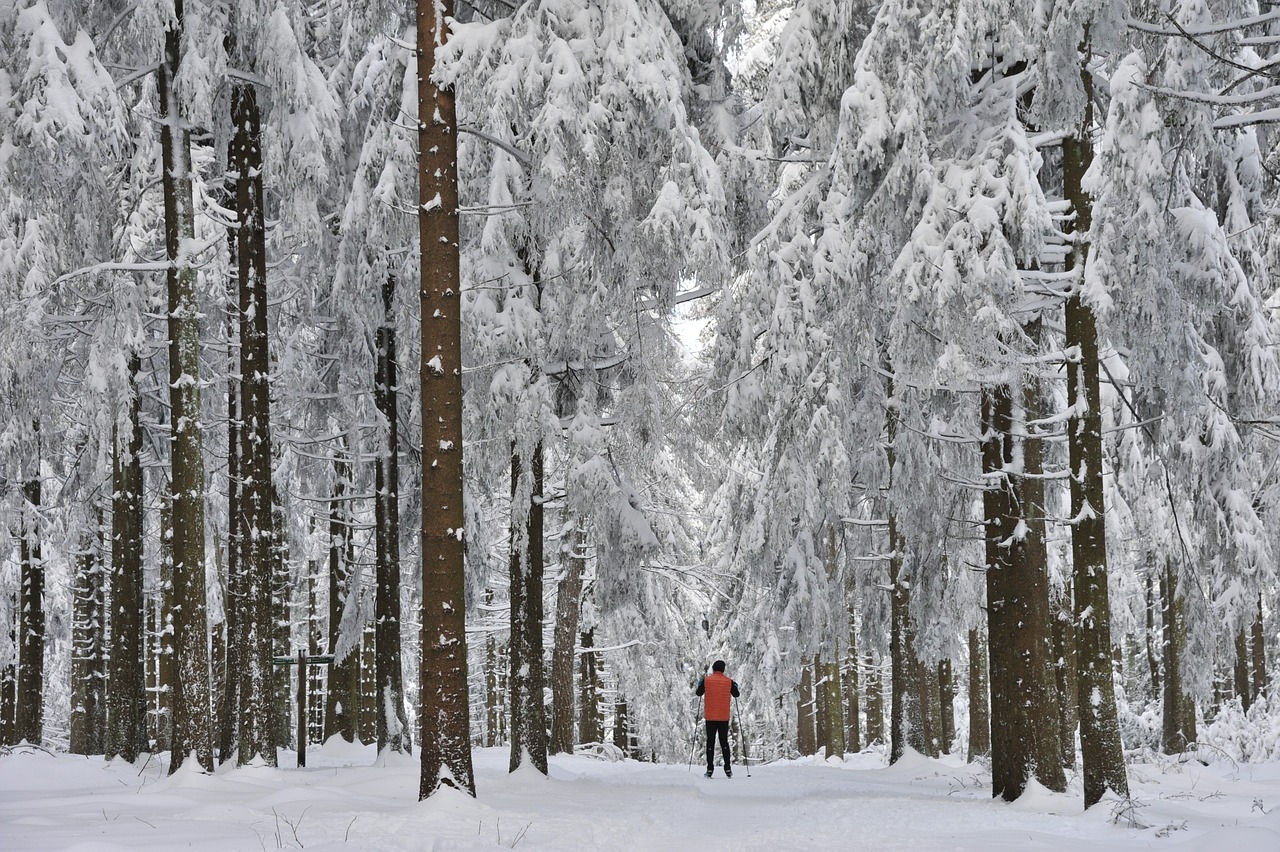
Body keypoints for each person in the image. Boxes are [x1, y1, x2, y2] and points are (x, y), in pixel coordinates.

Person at [695, 659, 740, 778]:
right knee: (724, 741)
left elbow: (699, 693)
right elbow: (736, 695)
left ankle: (710, 769)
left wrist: (701, 683)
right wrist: (734, 685)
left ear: (714, 669)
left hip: (710, 716)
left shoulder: (706, 680)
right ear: (723, 669)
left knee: (710, 741)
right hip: (723, 717)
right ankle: (728, 769)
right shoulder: (729, 682)